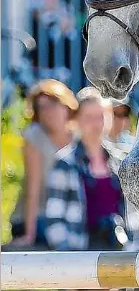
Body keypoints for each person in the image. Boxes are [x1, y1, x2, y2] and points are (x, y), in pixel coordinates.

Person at [45, 87, 128, 251]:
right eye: (89, 118)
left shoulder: (121, 162)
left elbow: (133, 215)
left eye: (101, 117)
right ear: (76, 120)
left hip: (118, 252)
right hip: (80, 250)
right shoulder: (65, 163)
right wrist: (66, 253)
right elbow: (54, 217)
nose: (96, 124)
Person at [9, 79, 77, 249]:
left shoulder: (78, 136)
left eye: (52, 105)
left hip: (70, 214)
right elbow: (33, 189)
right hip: (38, 217)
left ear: (66, 105)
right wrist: (29, 235)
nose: (47, 112)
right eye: (41, 107)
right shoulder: (34, 136)